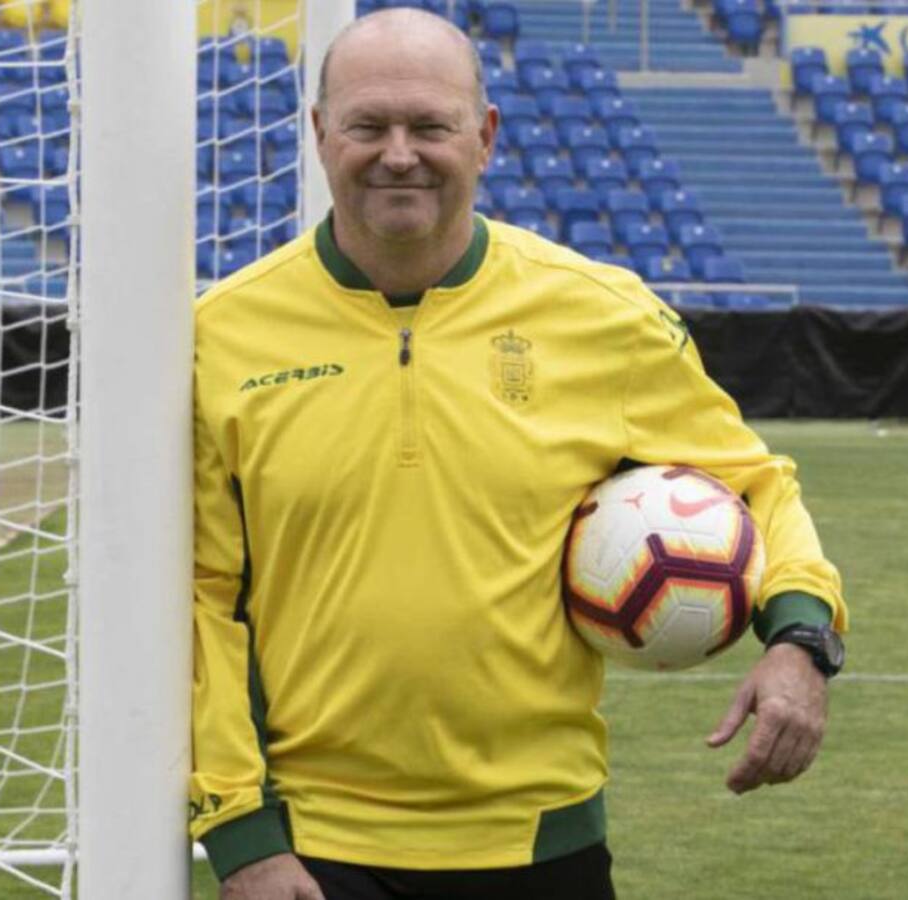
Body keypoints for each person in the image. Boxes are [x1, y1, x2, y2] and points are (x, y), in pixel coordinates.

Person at [190, 9, 848, 899]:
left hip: (544, 842)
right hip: (311, 851)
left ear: (485, 136)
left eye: (429, 126)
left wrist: (801, 640)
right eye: (367, 125)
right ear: (318, 133)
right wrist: (243, 838)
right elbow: (202, 601)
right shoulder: (221, 337)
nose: (397, 154)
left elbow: (755, 486)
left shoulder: (602, 317)